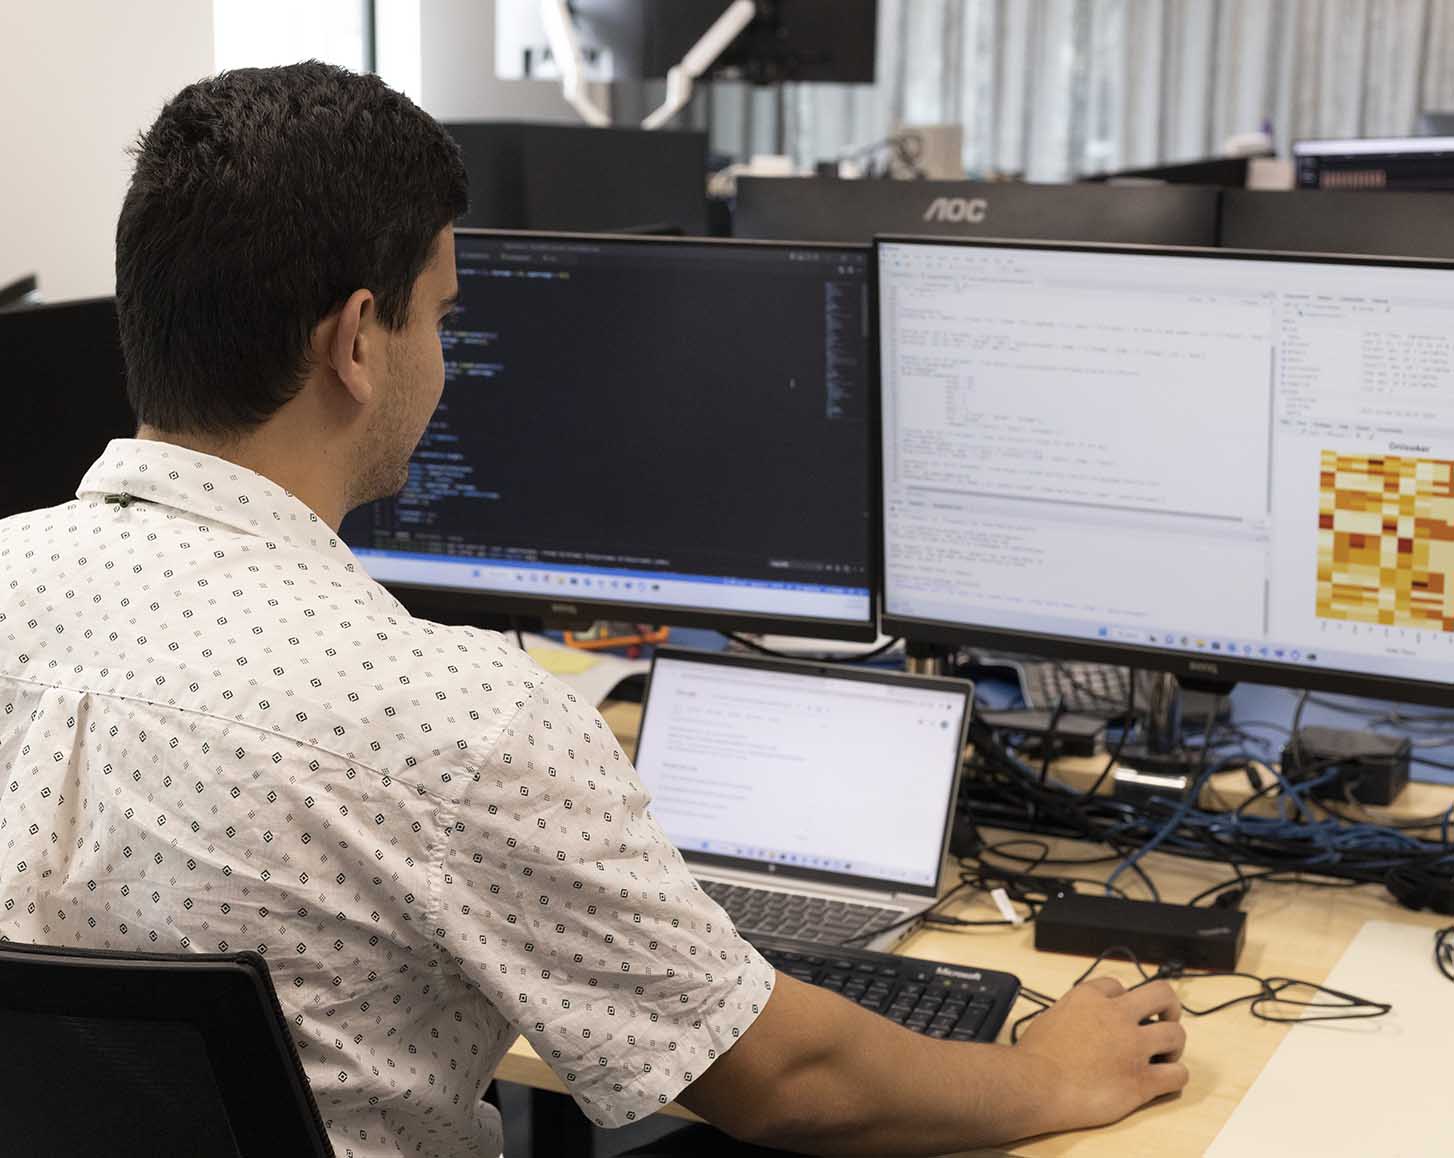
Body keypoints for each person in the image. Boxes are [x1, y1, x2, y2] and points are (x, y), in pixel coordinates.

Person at [0, 63, 1188, 1157]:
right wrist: (1050, 1075)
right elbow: (790, 1081)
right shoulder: (455, 724)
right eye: (446, 316)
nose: (449, 361)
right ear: (357, 342)